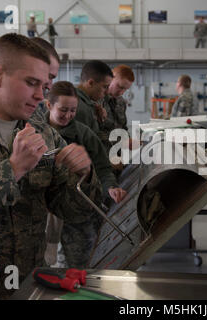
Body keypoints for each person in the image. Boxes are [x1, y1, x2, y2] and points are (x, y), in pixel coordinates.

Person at [0, 33, 101, 299]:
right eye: (31, 83)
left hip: (30, 285)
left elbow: (73, 212)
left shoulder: (44, 135)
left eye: (44, 86)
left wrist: (85, 175)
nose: (40, 96)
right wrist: (12, 169)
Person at [44, 81, 127, 267]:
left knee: (80, 268)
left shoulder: (85, 135)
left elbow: (103, 169)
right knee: (44, 269)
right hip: (44, 217)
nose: (69, 115)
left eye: (73, 110)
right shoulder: (34, 133)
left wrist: (111, 188)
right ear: (49, 105)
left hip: (79, 216)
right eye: (63, 110)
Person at [99, 65, 134, 154]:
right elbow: (94, 134)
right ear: (110, 78)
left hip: (118, 155)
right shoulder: (96, 100)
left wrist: (129, 141)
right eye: (120, 87)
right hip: (101, 155)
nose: (121, 92)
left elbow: (123, 128)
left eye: (125, 89)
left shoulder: (121, 102)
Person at [75, 60, 113, 136]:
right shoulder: (80, 108)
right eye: (105, 87)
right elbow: (91, 143)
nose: (107, 92)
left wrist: (101, 120)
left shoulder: (88, 104)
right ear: (91, 83)